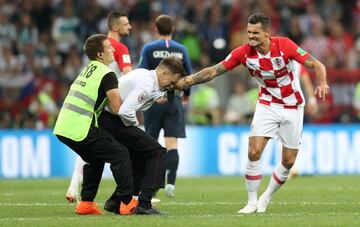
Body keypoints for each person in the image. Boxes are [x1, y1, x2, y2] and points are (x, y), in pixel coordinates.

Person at [175, 13, 329, 213]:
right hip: (267, 104)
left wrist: (322, 82)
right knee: (253, 151)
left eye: (255, 33)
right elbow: (215, 70)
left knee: (288, 161)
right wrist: (190, 80)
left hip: (293, 106)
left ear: (267, 33)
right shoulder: (243, 53)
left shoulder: (285, 45)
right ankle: (251, 202)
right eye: (249, 32)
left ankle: (266, 197)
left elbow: (317, 64)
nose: (251, 36)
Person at [53, 34, 137, 215]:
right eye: (109, 47)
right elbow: (117, 108)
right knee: (120, 152)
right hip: (80, 127)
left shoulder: (88, 69)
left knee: (94, 158)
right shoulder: (107, 74)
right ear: (100, 54)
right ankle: (127, 202)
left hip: (63, 127)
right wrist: (138, 102)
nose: (113, 49)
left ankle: (86, 204)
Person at [100, 56, 187, 215]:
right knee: (158, 153)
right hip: (113, 120)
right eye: (172, 81)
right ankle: (144, 203)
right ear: (164, 74)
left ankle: (115, 202)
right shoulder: (147, 84)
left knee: (140, 157)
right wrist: (135, 127)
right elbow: (125, 111)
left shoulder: (146, 75)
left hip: (107, 118)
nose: (172, 86)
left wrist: (157, 97)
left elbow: (146, 95)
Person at [66, 11, 132, 203]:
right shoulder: (120, 48)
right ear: (115, 27)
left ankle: (74, 187)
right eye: (126, 24)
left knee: (90, 150)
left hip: (93, 107)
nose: (130, 27)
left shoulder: (94, 53)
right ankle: (130, 197)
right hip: (111, 105)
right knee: (123, 150)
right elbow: (127, 75)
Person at [139, 14, 192, 197]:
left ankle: (151, 188)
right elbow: (188, 76)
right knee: (172, 145)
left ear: (156, 29)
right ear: (173, 29)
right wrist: (186, 96)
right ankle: (171, 184)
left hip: (154, 101)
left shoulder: (149, 48)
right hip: (174, 102)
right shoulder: (181, 49)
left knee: (151, 145)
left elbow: (143, 73)